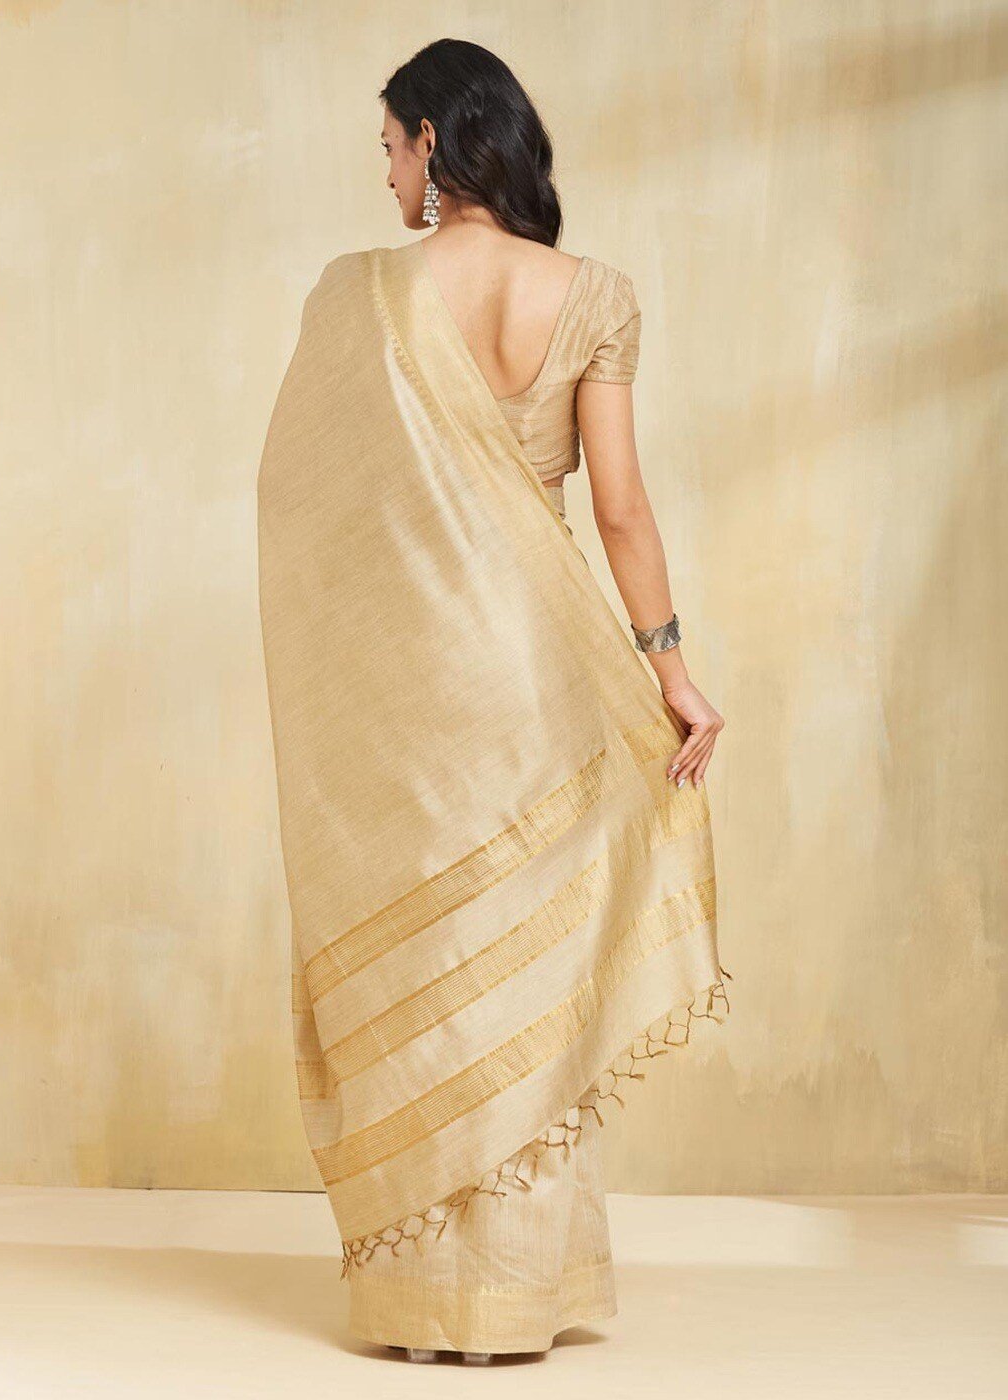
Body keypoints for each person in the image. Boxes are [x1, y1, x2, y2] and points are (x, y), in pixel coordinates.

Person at [256, 37, 731, 1366]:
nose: (385, 176)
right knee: (525, 965)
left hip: (419, 684)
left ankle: (425, 1310)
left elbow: (303, 500)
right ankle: (517, 1295)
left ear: (431, 139)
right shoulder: (593, 293)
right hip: (543, 670)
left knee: (435, 969)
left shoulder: (359, 296)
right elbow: (620, 508)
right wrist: (671, 670)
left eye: (389, 147)